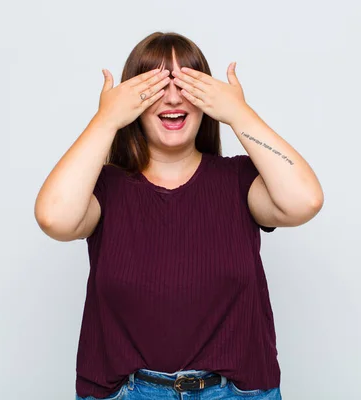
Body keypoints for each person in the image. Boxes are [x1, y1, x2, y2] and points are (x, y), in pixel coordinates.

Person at [34, 31, 324, 400]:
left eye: (186, 84)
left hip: (234, 393)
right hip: (126, 392)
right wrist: (105, 121)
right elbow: (53, 218)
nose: (172, 97)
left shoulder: (238, 180)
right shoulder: (106, 188)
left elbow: (306, 200)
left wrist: (240, 113)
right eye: (156, 85)